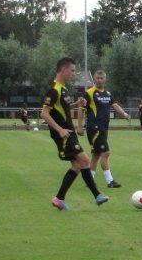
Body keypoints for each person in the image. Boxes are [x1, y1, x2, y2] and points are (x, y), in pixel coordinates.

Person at [41, 57, 108, 211]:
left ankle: (59, 199)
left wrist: (76, 104)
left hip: (69, 133)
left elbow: (61, 109)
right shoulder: (54, 90)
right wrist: (60, 130)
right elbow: (44, 114)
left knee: (78, 165)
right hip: (64, 135)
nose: (73, 73)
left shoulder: (63, 89)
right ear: (63, 70)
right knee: (84, 160)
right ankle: (97, 195)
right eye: (72, 70)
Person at [77, 69, 130, 189]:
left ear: (105, 80)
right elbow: (81, 109)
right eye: (97, 78)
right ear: (94, 79)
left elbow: (115, 105)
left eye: (102, 78)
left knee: (96, 154)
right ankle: (110, 181)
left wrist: (125, 114)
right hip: (94, 127)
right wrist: (79, 126)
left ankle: (89, 180)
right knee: (105, 153)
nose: (100, 80)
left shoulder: (108, 94)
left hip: (104, 128)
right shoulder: (89, 93)